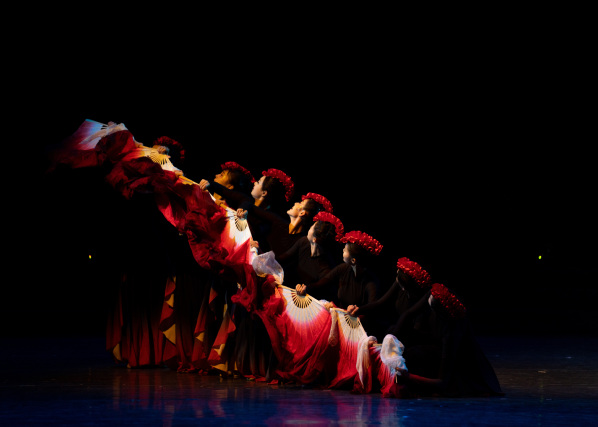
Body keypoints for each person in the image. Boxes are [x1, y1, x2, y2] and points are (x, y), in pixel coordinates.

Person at [393, 283, 504, 397]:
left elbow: (442, 382)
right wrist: (391, 338)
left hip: (455, 363)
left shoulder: (451, 333)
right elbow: (408, 314)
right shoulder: (435, 295)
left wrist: (409, 377)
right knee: (399, 335)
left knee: (415, 355)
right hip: (437, 342)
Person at [296, 230, 383, 331]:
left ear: (353, 260)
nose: (343, 250)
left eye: (345, 250)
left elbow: (371, 311)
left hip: (356, 328)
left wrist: (354, 312)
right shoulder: (343, 268)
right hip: (340, 320)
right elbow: (321, 283)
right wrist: (305, 288)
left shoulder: (370, 283)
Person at [346, 257, 433, 342]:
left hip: (411, 337)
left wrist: (390, 338)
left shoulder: (420, 300)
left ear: (404, 286)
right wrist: (358, 309)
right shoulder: (400, 285)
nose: (396, 278)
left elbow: (410, 322)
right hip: (397, 330)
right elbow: (380, 303)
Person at [277, 211, 344, 301]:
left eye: (312, 227)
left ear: (314, 239)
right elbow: (282, 259)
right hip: (288, 288)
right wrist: (262, 253)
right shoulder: (304, 242)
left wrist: (305, 290)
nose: (310, 227)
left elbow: (316, 291)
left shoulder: (325, 269)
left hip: (305, 302)